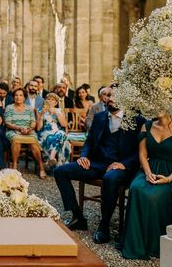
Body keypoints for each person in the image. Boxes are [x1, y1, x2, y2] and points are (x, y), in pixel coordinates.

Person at [53, 86, 142, 244]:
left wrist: (124, 164)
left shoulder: (136, 119)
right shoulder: (100, 117)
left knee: (110, 179)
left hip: (119, 167)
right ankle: (78, 217)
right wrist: (84, 156)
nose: (110, 98)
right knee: (60, 171)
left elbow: (140, 151)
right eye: (107, 95)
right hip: (96, 163)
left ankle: (104, 225)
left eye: (113, 95)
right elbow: (89, 141)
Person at [121, 114, 172, 259]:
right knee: (136, 188)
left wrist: (169, 179)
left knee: (152, 196)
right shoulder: (147, 126)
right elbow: (143, 154)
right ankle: (136, 243)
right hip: (149, 169)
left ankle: (154, 244)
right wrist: (147, 172)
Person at [4, 87, 46, 179]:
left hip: (28, 131)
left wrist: (29, 129)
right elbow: (8, 123)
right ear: (13, 97)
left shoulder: (29, 108)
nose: (18, 97)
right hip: (13, 131)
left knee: (33, 141)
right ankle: (15, 166)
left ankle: (41, 166)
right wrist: (19, 128)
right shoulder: (9, 107)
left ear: (24, 97)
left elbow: (33, 122)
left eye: (20, 95)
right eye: (16, 95)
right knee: (16, 139)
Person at [36, 93, 70, 168]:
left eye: (52, 100)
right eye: (48, 99)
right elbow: (38, 128)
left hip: (58, 132)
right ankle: (59, 166)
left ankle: (52, 158)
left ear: (56, 103)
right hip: (45, 134)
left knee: (61, 134)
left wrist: (56, 114)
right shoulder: (40, 110)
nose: (50, 101)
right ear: (45, 101)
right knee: (61, 137)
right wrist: (42, 115)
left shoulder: (59, 110)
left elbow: (64, 125)